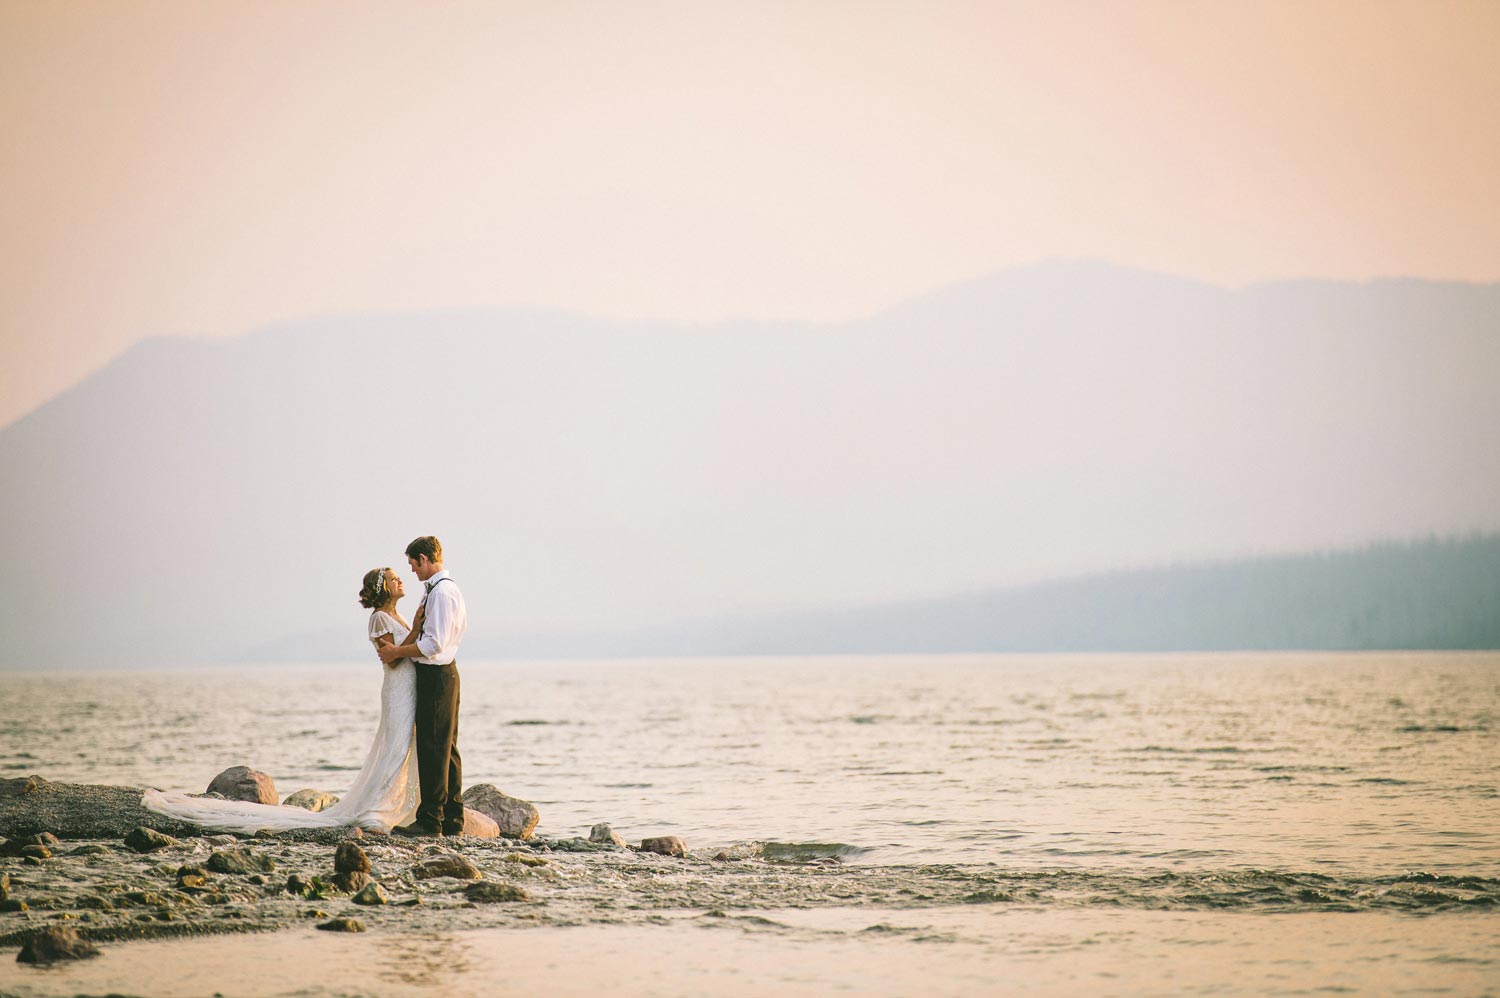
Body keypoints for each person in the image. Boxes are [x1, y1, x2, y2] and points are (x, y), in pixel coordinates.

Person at [140, 566, 422, 833]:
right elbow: (395, 659)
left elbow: (404, 649)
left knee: (405, 745)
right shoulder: (379, 618)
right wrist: (417, 628)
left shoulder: (397, 616)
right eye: (393, 578)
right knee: (394, 747)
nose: (400, 581)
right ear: (382, 588)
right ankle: (378, 809)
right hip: (398, 688)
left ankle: (399, 806)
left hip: (408, 688)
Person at [377, 535, 468, 836]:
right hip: (445, 674)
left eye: (413, 564)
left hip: (437, 674)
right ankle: (452, 818)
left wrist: (397, 652)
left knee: (433, 747)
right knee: (446, 747)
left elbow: (433, 643)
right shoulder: (444, 590)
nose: (413, 571)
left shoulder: (441, 593)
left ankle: (431, 820)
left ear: (425, 559)